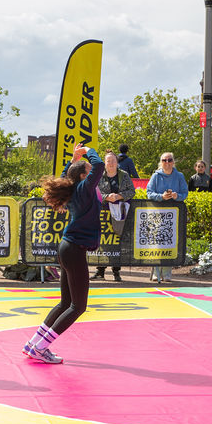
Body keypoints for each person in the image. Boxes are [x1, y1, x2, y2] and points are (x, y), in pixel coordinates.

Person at [22, 144, 103, 364]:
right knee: (78, 306)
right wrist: (87, 151)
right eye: (88, 170)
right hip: (73, 250)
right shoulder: (85, 188)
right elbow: (100, 165)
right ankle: (41, 347)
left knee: (66, 302)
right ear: (84, 176)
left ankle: (33, 344)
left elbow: (66, 176)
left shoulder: (73, 189)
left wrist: (73, 159)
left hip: (68, 247)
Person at [146, 152, 189, 282]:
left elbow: (185, 193)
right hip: (157, 214)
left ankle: (167, 272)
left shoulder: (179, 176)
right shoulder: (155, 176)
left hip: (173, 214)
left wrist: (177, 196)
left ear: (173, 162)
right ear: (161, 162)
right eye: (164, 160)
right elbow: (149, 193)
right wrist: (161, 197)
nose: (167, 162)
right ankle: (156, 272)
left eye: (170, 160)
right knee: (157, 242)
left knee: (170, 242)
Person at [93, 151, 135, 281]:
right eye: (108, 161)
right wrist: (107, 197)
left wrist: (119, 196)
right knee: (103, 241)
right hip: (103, 212)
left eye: (113, 161)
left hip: (120, 212)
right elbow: (94, 192)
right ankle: (100, 270)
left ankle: (116, 271)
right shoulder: (99, 176)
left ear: (117, 163)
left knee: (117, 240)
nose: (111, 163)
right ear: (105, 163)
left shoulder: (124, 175)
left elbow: (132, 191)